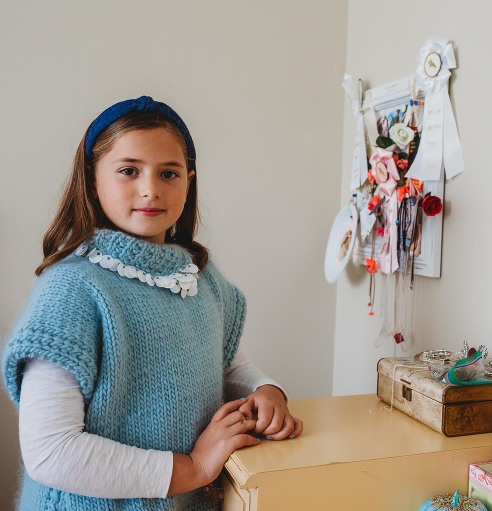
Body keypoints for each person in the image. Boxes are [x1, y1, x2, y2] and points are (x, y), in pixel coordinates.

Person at [2, 96, 303, 510]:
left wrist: (266, 390)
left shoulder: (202, 279)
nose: (150, 189)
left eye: (169, 173)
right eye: (128, 171)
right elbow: (51, 451)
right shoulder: (71, 292)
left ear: (188, 181)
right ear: (92, 180)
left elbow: (229, 363)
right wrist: (193, 469)